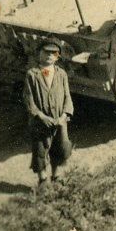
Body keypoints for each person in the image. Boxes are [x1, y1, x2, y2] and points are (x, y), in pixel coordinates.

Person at [22, 40, 74, 189]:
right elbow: (28, 99)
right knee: (40, 149)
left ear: (58, 57)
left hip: (59, 119)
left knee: (60, 147)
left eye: (54, 53)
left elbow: (67, 97)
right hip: (40, 120)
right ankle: (43, 179)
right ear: (39, 54)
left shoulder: (61, 74)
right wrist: (41, 116)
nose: (50, 56)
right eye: (46, 52)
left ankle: (56, 175)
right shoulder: (32, 75)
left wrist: (64, 115)